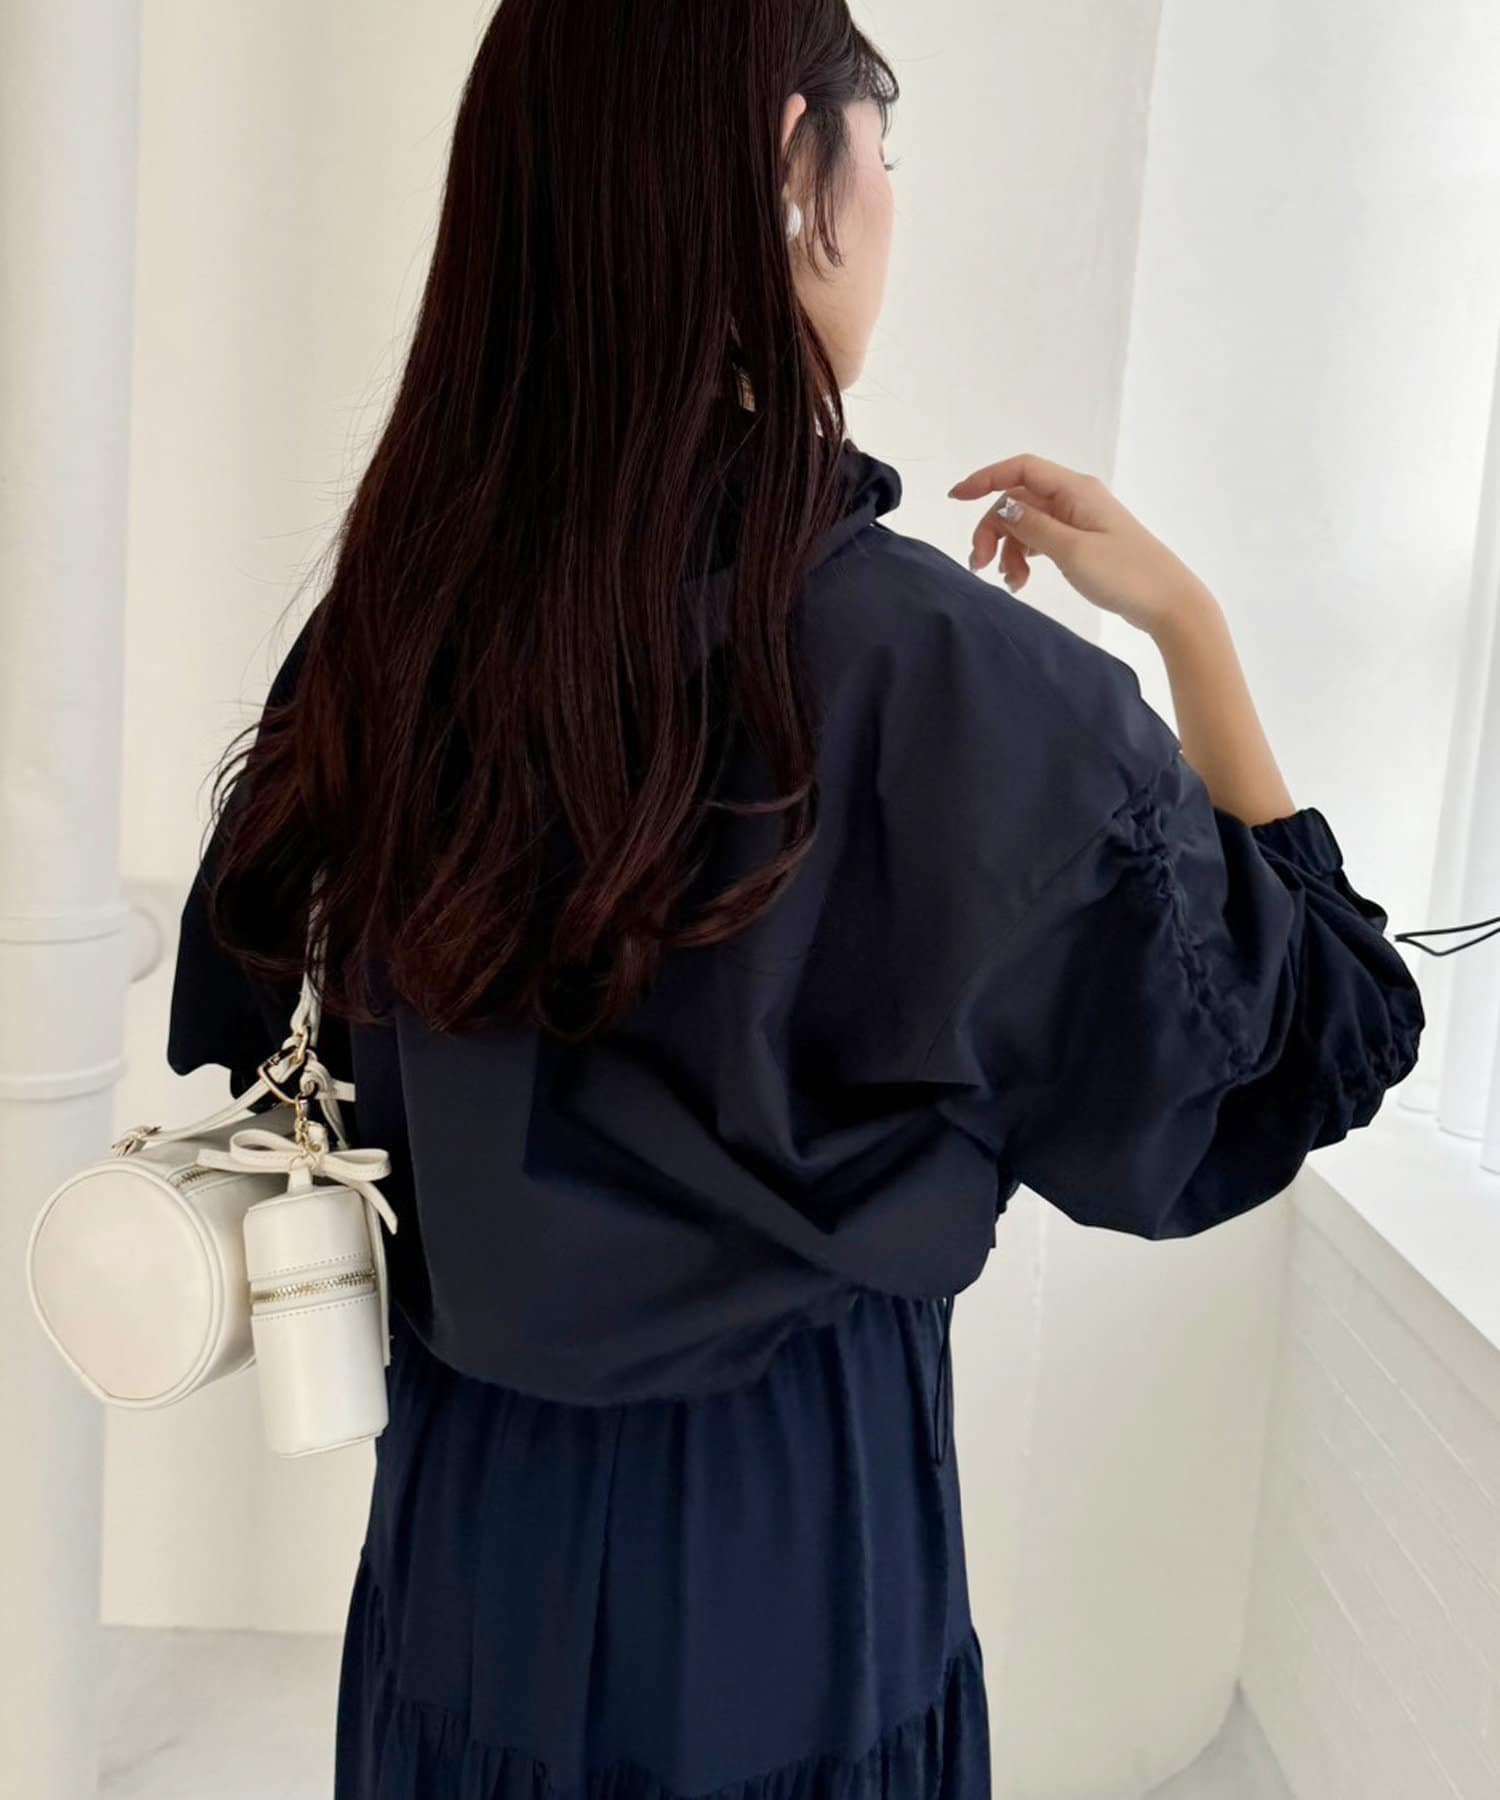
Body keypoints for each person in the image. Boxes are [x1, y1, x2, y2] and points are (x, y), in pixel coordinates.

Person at [164, 2, 1424, 1795]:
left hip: (465, 1535)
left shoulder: (394, 630)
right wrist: (1193, 633)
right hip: (790, 1541)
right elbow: (1313, 1040)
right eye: (881, 151)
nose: (891, 198)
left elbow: (245, 1015)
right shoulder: (949, 679)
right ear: (790, 176)